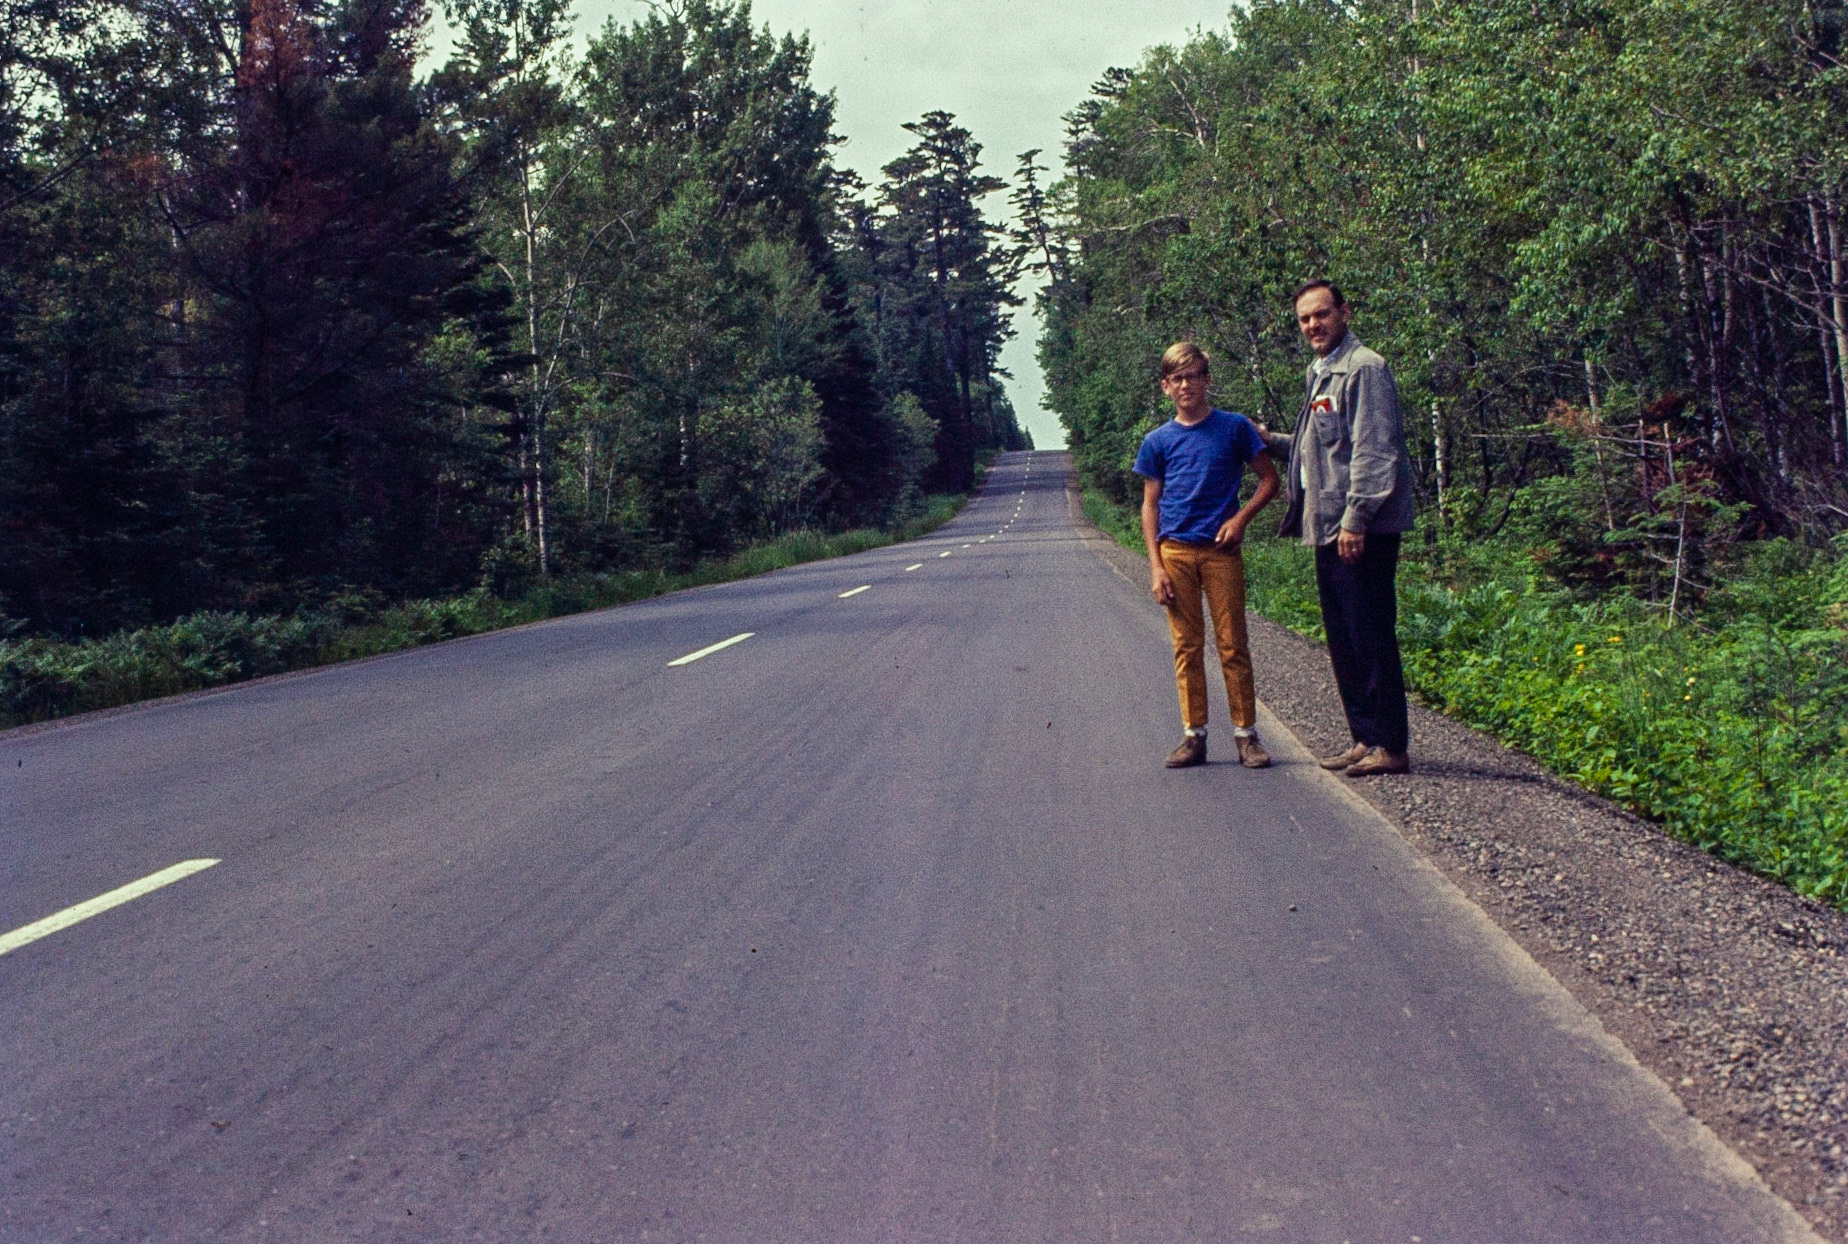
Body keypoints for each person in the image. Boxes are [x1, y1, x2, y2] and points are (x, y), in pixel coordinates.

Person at [1263, 280, 1416, 777]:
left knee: (1370, 633)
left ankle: (1390, 745)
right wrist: (1268, 441)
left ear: (1344, 313)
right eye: (1305, 318)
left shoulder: (1364, 368)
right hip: (1328, 523)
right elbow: (1320, 446)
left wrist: (1357, 520)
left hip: (1359, 528)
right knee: (1345, 637)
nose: (1313, 325)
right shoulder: (1321, 371)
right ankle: (1365, 738)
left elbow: (1375, 450)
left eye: (1322, 314)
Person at [1135, 342, 1281, 769]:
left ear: (1206, 380)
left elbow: (1269, 480)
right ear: (1165, 386)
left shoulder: (1234, 427)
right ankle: (1194, 736)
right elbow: (1150, 505)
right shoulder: (1157, 441)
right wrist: (1155, 566)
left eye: (1194, 376)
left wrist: (1240, 519)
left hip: (1221, 552)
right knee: (1187, 646)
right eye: (1177, 378)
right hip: (1175, 552)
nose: (1186, 385)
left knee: (1233, 644)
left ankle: (1246, 736)